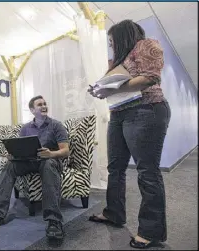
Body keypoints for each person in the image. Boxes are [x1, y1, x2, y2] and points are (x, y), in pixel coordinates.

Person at [87, 20, 171, 249]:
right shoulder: (118, 61)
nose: (111, 46)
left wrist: (112, 88)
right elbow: (112, 87)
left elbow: (151, 77)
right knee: (115, 167)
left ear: (124, 36)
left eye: (113, 41)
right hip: (119, 115)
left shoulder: (145, 45)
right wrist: (99, 90)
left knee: (146, 171)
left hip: (147, 110)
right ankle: (114, 213)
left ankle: (151, 232)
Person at [0, 95, 70, 241]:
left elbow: (65, 151)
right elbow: (21, 148)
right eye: (40, 104)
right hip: (28, 161)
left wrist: (51, 153)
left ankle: (54, 220)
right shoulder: (26, 128)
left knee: (48, 165)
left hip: (49, 161)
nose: (44, 106)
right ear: (32, 110)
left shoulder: (56, 125)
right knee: (9, 165)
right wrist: (13, 155)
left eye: (45, 103)